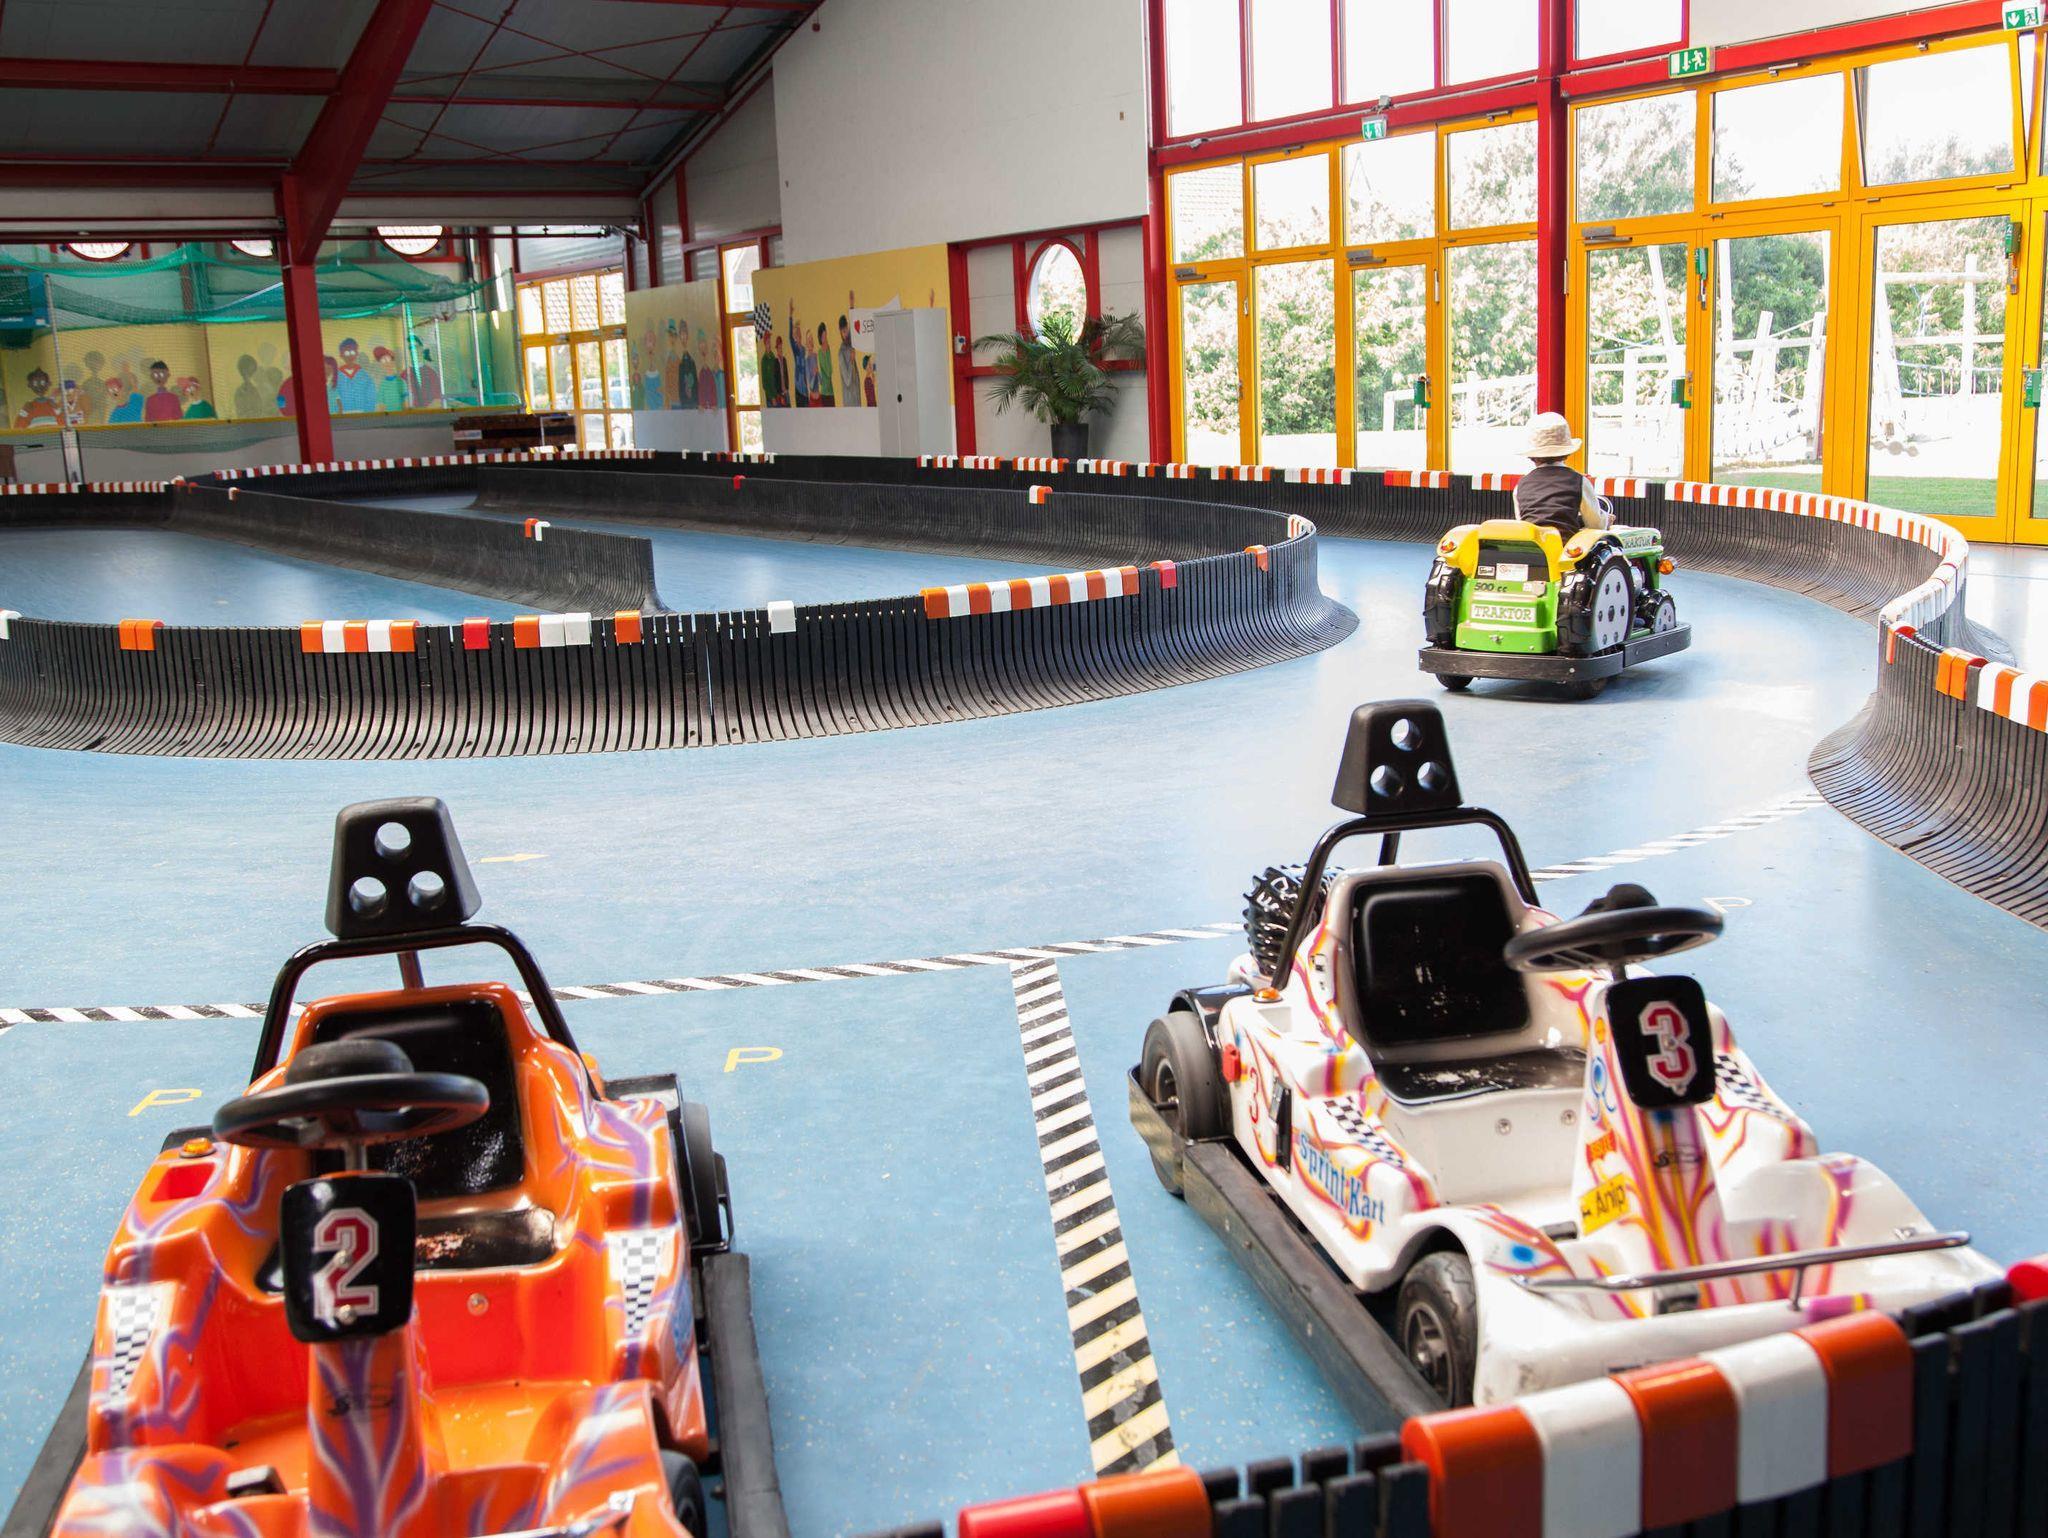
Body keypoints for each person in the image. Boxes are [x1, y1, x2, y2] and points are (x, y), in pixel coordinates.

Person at [1512, 412, 1611, 539]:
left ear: (1531, 456)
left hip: (1533, 548)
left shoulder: (1520, 486)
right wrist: (1606, 519)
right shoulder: (1579, 481)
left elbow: (1524, 523)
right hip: (1564, 547)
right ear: (1566, 453)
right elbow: (1596, 525)